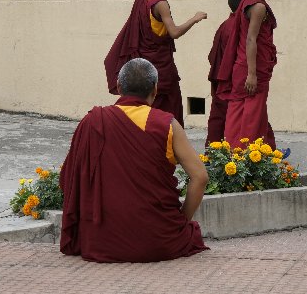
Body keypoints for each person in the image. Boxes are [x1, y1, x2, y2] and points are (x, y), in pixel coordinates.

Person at [60, 58, 209, 263]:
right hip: (158, 240)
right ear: (155, 89)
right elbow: (200, 177)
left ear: (119, 87)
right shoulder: (167, 125)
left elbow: (68, 179)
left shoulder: (93, 122)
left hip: (100, 241)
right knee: (192, 233)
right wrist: (181, 221)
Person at [104, 0, 207, 127]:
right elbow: (174, 32)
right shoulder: (161, 3)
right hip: (160, 64)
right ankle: (166, 138)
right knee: (167, 105)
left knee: (144, 104)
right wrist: (194, 19)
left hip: (144, 61)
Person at [216, 0, 278, 149]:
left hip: (240, 65)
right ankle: (248, 156)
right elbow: (251, 39)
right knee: (252, 114)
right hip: (252, 67)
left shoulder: (247, 1)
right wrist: (252, 74)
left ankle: (232, 152)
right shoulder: (258, 6)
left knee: (237, 111)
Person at [205, 0, 249, 146]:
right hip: (233, 80)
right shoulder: (237, 27)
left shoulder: (225, 25)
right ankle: (265, 150)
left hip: (221, 78)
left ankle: (213, 152)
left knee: (219, 116)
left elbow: (212, 55)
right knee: (246, 115)